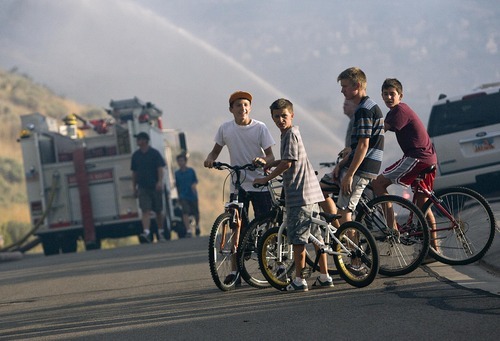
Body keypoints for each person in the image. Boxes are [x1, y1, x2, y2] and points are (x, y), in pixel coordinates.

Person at [254, 98, 332, 292]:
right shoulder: (292, 132)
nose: (280, 120)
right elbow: (290, 158)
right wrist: (271, 163)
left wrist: (266, 178)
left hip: (299, 194)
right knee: (316, 237)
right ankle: (324, 276)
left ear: (292, 115)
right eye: (276, 117)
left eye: (284, 116)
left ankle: (299, 280)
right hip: (311, 193)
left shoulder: (289, 134)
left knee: (298, 239)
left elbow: (288, 163)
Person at [204, 90, 276, 284]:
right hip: (238, 184)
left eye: (245, 105)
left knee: (266, 225)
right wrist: (210, 159)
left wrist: (263, 160)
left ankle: (274, 267)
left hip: (259, 183)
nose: (242, 108)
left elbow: (271, 157)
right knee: (236, 226)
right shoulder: (225, 129)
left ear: (250, 108)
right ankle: (234, 272)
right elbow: (215, 152)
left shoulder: (260, 128)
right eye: (238, 105)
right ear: (231, 109)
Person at [371, 78, 437, 246]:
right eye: (385, 94)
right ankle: (434, 249)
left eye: (392, 94)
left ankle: (392, 229)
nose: (388, 98)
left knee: (378, 184)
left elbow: (378, 133)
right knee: (422, 203)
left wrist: (357, 149)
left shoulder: (399, 110)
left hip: (418, 157)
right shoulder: (397, 111)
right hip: (429, 157)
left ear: (400, 95)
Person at [332, 67, 384, 274]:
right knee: (332, 194)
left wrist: (350, 174)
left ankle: (356, 259)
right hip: (365, 164)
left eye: (345, 86)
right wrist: (345, 159)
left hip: (363, 168)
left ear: (357, 86)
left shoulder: (363, 110)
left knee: (345, 212)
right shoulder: (370, 106)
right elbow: (360, 145)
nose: (342, 91)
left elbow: (364, 145)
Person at [319, 98, 358, 217]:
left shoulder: (355, 120)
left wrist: (341, 165)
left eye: (346, 104)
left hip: (351, 167)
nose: (343, 107)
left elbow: (357, 147)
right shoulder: (353, 120)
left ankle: (337, 227)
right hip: (350, 164)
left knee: (317, 191)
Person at [131, 132, 166, 243]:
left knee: (158, 210)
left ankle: (160, 232)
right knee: (145, 210)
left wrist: (160, 182)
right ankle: (146, 232)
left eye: (139, 139)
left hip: (155, 186)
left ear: (145, 140)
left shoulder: (154, 153)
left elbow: (160, 168)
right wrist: (134, 187)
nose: (138, 141)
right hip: (143, 187)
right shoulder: (136, 156)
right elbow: (134, 173)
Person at [175, 153, 200, 237]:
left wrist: (194, 185)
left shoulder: (191, 171)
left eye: (182, 160)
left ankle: (197, 226)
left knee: (195, 212)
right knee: (185, 212)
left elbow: (195, 180)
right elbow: (177, 186)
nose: (180, 162)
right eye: (178, 161)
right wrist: (178, 196)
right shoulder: (177, 173)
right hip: (183, 195)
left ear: (185, 161)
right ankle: (188, 230)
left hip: (192, 194)